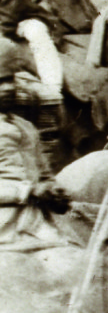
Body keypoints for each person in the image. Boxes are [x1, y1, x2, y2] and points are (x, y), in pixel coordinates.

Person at [0, 39, 71, 249]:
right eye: (0, 82)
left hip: (34, 220)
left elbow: (44, 175)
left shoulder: (26, 127)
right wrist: (29, 191)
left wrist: (53, 190)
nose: (9, 87)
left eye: (10, 79)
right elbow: (32, 188)